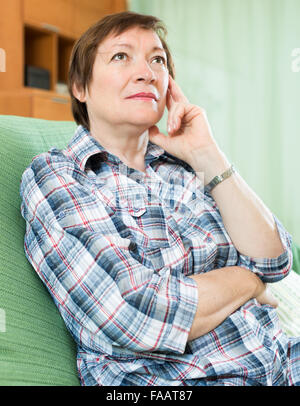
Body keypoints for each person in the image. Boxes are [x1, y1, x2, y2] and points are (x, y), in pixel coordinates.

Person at [20, 11, 299, 386]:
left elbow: (275, 259)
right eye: (121, 56)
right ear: (80, 87)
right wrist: (249, 283)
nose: (147, 72)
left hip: (282, 361)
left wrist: (208, 154)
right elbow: (134, 313)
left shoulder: (185, 170)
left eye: (158, 60)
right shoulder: (57, 176)